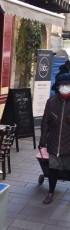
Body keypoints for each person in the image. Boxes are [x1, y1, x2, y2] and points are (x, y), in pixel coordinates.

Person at [39, 72, 70, 204]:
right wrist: (42, 141)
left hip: (68, 143)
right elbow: (45, 122)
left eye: (67, 84)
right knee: (53, 169)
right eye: (62, 84)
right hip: (54, 141)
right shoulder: (51, 102)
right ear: (57, 86)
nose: (64, 87)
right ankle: (51, 192)